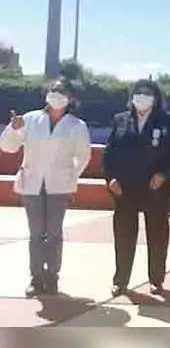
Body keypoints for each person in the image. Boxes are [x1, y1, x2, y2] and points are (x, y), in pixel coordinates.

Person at [0, 78, 91, 297]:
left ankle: (52, 277)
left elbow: (83, 156)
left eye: (62, 93)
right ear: (46, 95)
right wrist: (13, 129)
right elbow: (7, 147)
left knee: (54, 234)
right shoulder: (30, 119)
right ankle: (36, 278)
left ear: (70, 99)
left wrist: (70, 178)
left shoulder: (77, 126)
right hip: (32, 184)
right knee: (36, 234)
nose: (56, 96)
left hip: (59, 187)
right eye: (53, 91)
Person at [102, 79, 170, 296]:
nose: (142, 96)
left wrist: (164, 174)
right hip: (125, 187)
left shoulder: (168, 120)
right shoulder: (120, 119)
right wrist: (110, 178)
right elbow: (109, 152)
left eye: (147, 93)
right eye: (138, 92)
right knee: (124, 235)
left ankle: (156, 279)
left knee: (157, 234)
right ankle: (120, 280)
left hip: (155, 186)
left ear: (156, 97)